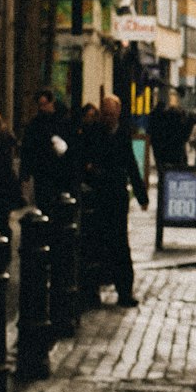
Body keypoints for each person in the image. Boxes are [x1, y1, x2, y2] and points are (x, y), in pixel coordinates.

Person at [80, 95, 148, 309]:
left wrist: (141, 195)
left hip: (116, 196)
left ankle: (124, 292)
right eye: (105, 113)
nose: (108, 117)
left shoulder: (123, 133)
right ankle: (91, 294)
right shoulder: (93, 132)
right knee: (94, 244)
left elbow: (131, 165)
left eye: (111, 113)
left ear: (118, 112)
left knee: (119, 244)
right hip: (97, 195)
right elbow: (83, 160)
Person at [19, 88, 73, 217]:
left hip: (60, 172)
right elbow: (28, 150)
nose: (42, 108)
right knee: (44, 204)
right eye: (40, 105)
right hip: (42, 172)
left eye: (45, 104)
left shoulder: (63, 121)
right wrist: (25, 174)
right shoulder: (35, 125)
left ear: (51, 102)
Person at [0, 110, 21, 243]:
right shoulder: (5, 136)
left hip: (1, 185)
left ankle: (4, 249)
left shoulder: (3, 137)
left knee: (2, 219)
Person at [148, 91, 190, 172]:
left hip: (162, 150)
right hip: (177, 151)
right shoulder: (179, 124)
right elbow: (185, 135)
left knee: (163, 170)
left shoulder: (159, 122)